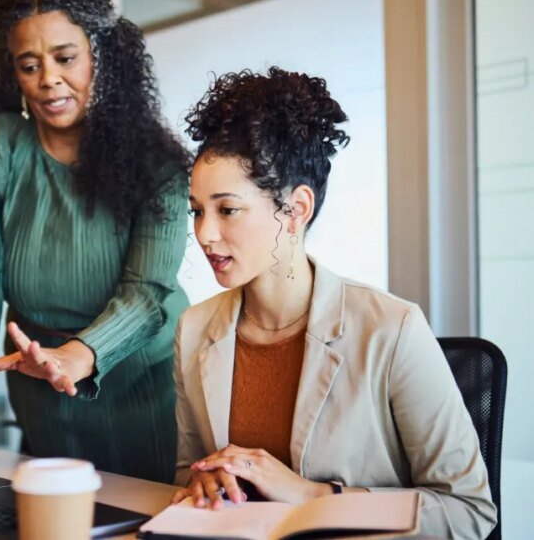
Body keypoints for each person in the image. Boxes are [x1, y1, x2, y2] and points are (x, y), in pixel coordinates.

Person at [170, 68, 497, 539]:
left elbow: (468, 511)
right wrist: (201, 482)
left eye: (228, 209)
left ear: (296, 209)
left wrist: (311, 496)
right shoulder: (194, 329)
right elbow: (189, 471)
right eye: (197, 211)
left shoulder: (393, 329)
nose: (205, 234)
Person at [0, 0, 191, 484]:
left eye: (65, 58)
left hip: (145, 383)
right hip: (41, 384)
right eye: (29, 65)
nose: (47, 79)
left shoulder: (157, 162)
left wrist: (77, 356)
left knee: (147, 510)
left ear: (102, 58)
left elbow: (147, 295)